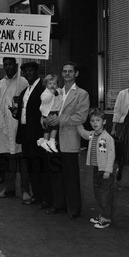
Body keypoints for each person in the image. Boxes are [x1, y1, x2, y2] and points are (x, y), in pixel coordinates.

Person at [45, 62, 90, 218]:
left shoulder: (82, 94)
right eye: (64, 71)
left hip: (69, 138)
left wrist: (59, 120)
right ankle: (59, 205)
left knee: (71, 175)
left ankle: (74, 208)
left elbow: (81, 116)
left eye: (70, 71)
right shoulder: (55, 91)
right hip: (52, 137)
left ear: (76, 74)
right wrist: (46, 120)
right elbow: (46, 110)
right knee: (56, 172)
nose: (67, 74)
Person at [14, 61, 54, 207]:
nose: (28, 73)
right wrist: (16, 113)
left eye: (30, 71)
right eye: (25, 72)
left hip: (38, 134)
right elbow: (24, 113)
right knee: (31, 166)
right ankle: (37, 194)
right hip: (26, 134)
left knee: (41, 166)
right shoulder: (25, 91)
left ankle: (46, 197)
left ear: (36, 72)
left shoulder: (43, 89)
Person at [0, 57, 28, 198]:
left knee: (22, 159)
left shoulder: (23, 82)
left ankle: (25, 190)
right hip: (4, 126)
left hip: (19, 125)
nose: (8, 67)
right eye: (5, 65)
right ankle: (9, 189)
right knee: (8, 159)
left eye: (10, 64)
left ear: (16, 65)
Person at [77, 108, 116, 229]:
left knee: (105, 195)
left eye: (98, 120)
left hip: (105, 171)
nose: (95, 123)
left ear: (104, 122)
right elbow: (83, 133)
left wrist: (108, 170)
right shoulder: (92, 135)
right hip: (96, 169)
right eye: (92, 120)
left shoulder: (107, 138)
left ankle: (106, 219)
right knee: (98, 194)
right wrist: (76, 122)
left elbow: (111, 155)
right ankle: (102, 215)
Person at [38, 74, 63, 153]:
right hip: (48, 112)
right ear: (46, 84)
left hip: (56, 111)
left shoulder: (58, 90)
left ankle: (50, 140)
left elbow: (61, 98)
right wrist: (51, 93)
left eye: (54, 83)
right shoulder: (45, 93)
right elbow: (45, 100)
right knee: (48, 127)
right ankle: (46, 141)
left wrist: (58, 92)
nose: (52, 85)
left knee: (54, 127)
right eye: (50, 83)